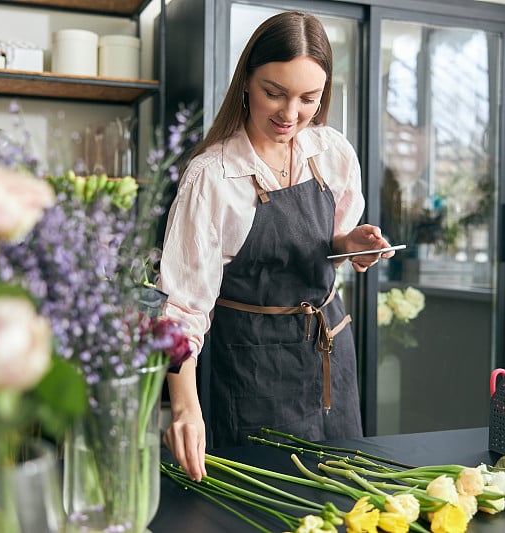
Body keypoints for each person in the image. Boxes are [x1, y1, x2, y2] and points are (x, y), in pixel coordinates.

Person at [157, 11, 395, 482]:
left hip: (329, 355)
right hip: (251, 368)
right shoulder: (213, 176)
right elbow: (181, 310)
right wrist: (185, 408)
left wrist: (354, 244)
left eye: (309, 98)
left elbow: (331, 243)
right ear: (246, 81)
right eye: (274, 92)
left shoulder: (332, 152)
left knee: (345, 496)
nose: (291, 114)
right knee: (263, 501)